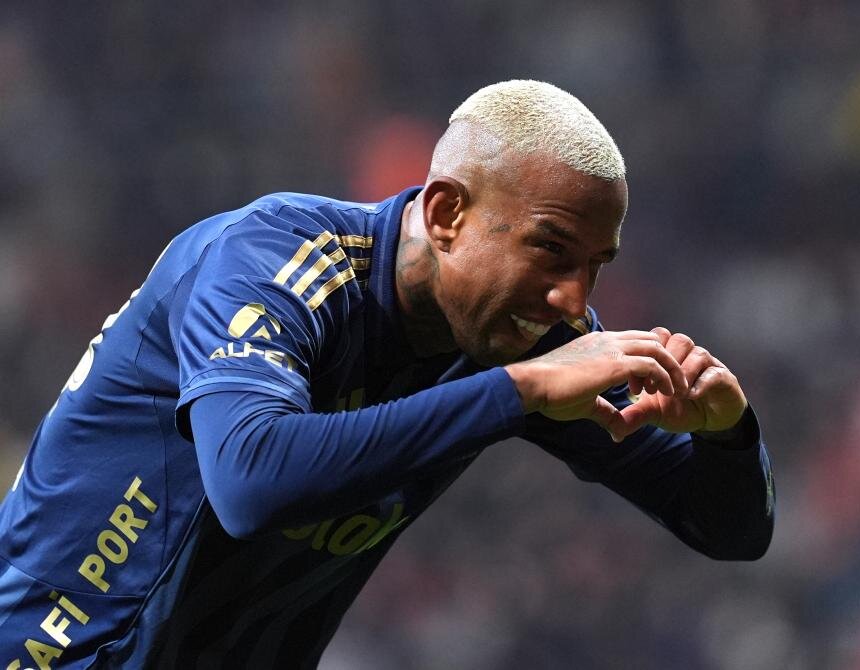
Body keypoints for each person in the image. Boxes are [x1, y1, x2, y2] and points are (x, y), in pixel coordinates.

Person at [0, 80, 773, 669]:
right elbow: (249, 482)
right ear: (446, 215)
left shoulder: (525, 335)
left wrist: (728, 434)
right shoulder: (275, 260)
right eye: (551, 250)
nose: (575, 300)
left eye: (596, 266)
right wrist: (519, 392)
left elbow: (727, 530)